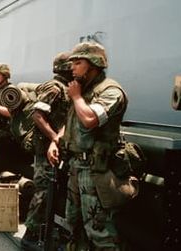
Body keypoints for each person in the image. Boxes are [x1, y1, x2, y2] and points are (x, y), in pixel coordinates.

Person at [47, 42, 128, 250]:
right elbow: (71, 120)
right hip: (76, 168)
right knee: (73, 226)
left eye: (78, 62)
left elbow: (90, 119)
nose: (72, 67)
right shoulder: (84, 90)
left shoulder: (110, 90)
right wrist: (57, 140)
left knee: (99, 232)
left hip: (96, 172)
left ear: (93, 64)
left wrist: (75, 96)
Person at [21, 52, 72, 250]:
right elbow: (37, 114)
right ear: (65, 68)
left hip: (57, 150)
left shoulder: (66, 88)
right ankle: (30, 235)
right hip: (46, 151)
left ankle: (48, 230)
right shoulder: (55, 87)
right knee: (43, 191)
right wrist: (54, 137)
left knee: (54, 191)